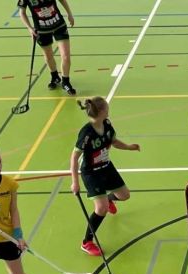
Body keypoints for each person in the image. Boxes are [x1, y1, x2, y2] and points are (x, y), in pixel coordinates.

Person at [71, 96, 141, 256]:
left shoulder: (107, 125)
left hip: (106, 167)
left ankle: (109, 199)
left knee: (124, 195)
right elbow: (74, 157)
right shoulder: (86, 133)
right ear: (102, 111)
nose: (109, 110)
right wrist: (75, 182)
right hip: (91, 173)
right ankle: (87, 242)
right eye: (107, 108)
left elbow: (114, 142)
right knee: (100, 208)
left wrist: (130, 147)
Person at [17, 0, 77, 95]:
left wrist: (69, 14)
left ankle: (65, 81)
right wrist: (30, 28)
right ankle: (55, 76)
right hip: (42, 30)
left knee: (65, 56)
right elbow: (22, 13)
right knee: (48, 56)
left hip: (59, 26)